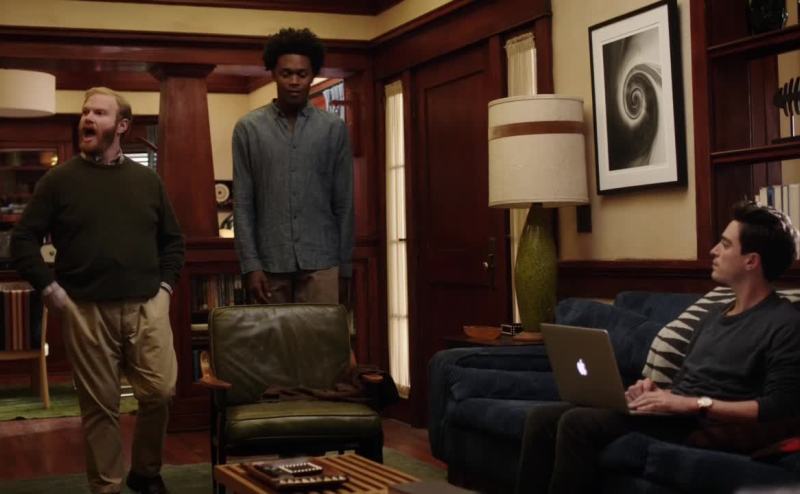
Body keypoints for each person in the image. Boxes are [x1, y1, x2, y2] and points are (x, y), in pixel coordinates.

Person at [516, 201, 800, 494]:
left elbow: (779, 407)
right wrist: (653, 391)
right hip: (675, 412)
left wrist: (694, 404)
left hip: (701, 424)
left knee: (577, 423)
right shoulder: (714, 315)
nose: (714, 250)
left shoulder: (785, 323)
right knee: (541, 418)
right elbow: (686, 381)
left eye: (725, 245)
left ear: (751, 261)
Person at [11, 87, 184, 494]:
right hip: (85, 309)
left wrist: (164, 289)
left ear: (121, 126)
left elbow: (173, 242)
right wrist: (48, 287)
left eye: (99, 113)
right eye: (85, 112)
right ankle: (107, 487)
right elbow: (22, 241)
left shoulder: (148, 181)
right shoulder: (59, 181)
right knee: (101, 407)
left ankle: (145, 472)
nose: (87, 118)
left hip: (147, 305)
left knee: (161, 392)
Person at [233, 27, 354, 305]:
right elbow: (243, 204)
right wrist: (250, 265)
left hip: (323, 263)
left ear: (313, 75)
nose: (294, 81)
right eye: (286, 73)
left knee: (320, 334)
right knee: (272, 335)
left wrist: (345, 267)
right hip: (268, 264)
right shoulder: (248, 129)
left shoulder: (333, 129)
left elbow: (344, 203)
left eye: (302, 74)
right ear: (273, 74)